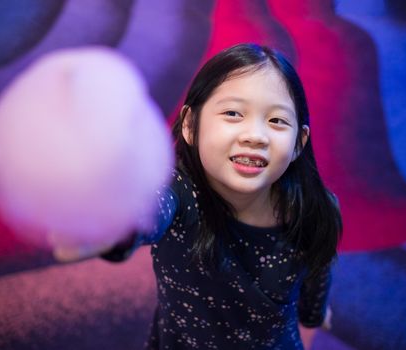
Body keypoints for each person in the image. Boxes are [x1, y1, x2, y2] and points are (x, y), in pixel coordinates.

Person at [55, 43, 342, 349]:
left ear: (299, 142)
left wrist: (314, 313)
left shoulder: (314, 208)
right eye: (233, 113)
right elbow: (149, 210)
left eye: (277, 121)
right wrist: (108, 225)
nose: (255, 135)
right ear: (191, 125)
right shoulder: (180, 192)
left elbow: (317, 274)